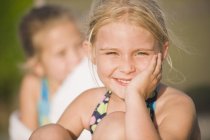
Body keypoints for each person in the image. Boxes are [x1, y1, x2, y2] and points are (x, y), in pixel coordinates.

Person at [30, 0, 201, 139]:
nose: (127, 67)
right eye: (112, 53)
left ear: (163, 51)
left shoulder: (176, 105)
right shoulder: (91, 102)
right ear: (91, 53)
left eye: (141, 53)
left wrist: (135, 96)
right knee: (48, 133)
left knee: (117, 126)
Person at [9, 5, 101, 140]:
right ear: (38, 65)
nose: (74, 58)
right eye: (61, 53)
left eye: (78, 45)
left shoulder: (89, 73)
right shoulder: (35, 86)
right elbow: (26, 133)